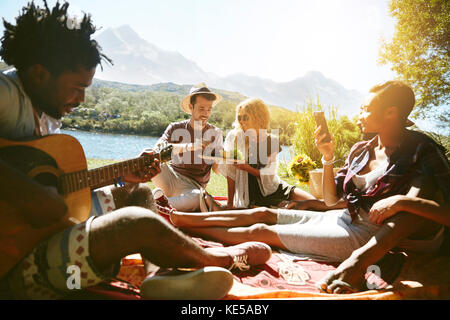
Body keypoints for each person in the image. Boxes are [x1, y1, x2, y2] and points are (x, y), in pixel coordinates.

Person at [0, 1, 271, 300]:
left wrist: (120, 176)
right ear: (39, 74)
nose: (81, 98)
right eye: (77, 86)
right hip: (14, 261)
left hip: (43, 233)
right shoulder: (7, 95)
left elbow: (61, 186)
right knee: (136, 223)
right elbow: (43, 199)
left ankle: (157, 275)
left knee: (139, 194)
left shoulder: (46, 112)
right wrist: (31, 196)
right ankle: (223, 260)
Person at [158, 81, 449, 292]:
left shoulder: (421, 149)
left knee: (262, 230)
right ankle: (182, 219)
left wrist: (401, 202)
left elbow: (436, 210)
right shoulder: (362, 149)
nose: (360, 113)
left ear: (391, 113)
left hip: (367, 234)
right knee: (262, 214)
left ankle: (182, 230)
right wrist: (327, 157)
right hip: (343, 217)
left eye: (366, 108)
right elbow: (333, 199)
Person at [216, 98, 315, 210]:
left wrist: (247, 168)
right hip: (255, 196)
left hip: (274, 188)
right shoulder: (235, 138)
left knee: (313, 202)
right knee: (294, 208)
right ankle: (279, 205)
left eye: (245, 117)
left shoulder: (271, 141)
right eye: (239, 117)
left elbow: (268, 174)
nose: (241, 121)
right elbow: (231, 174)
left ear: (258, 117)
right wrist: (230, 203)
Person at [151, 83, 224, 212]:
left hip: (192, 187)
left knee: (198, 197)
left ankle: (154, 204)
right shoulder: (175, 128)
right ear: (191, 107)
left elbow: (217, 170)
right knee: (148, 157)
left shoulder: (215, 133)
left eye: (209, 109)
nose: (206, 114)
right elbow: (157, 150)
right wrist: (191, 146)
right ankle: (162, 202)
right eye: (201, 109)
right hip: (170, 179)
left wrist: (223, 160)